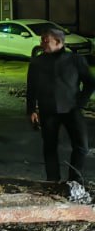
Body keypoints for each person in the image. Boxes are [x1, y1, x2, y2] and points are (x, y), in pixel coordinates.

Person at [25, 26, 95, 184]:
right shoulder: (37, 62)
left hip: (72, 109)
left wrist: (80, 103)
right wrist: (31, 110)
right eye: (41, 39)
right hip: (48, 110)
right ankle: (52, 181)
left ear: (58, 41)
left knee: (81, 146)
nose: (41, 43)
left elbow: (90, 83)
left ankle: (74, 180)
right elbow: (32, 87)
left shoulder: (74, 60)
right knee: (50, 147)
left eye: (45, 40)